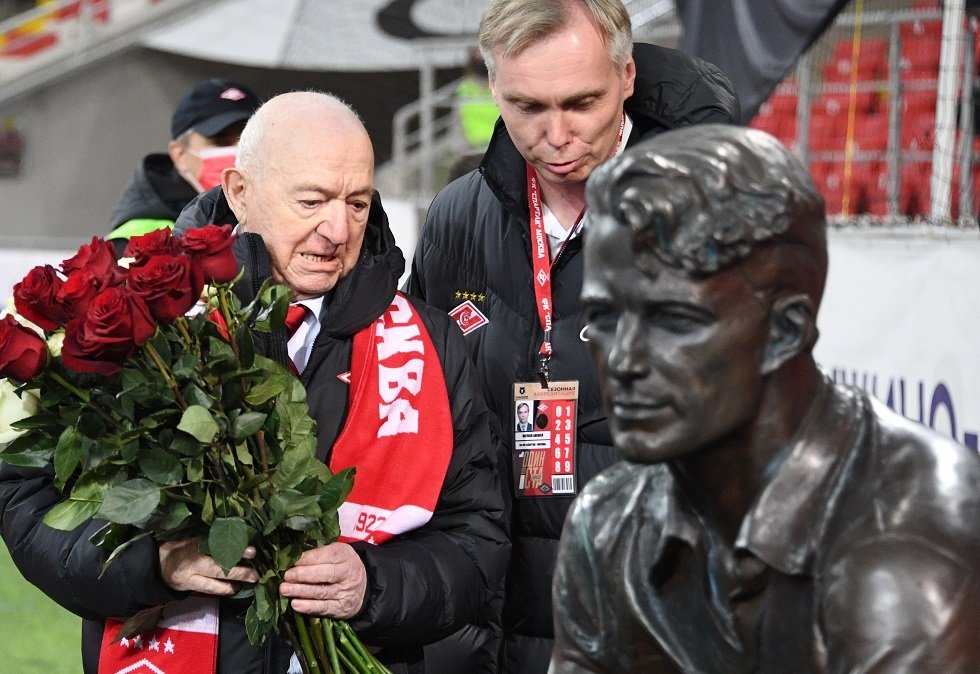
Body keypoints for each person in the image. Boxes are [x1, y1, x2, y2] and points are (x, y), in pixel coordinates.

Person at [0, 91, 509, 674]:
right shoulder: (139, 324)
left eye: (358, 203)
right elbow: (29, 501)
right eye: (311, 201)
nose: (337, 229)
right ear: (240, 192)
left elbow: (478, 538)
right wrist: (152, 564)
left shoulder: (431, 342)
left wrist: (374, 584)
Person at [550, 124, 980, 672]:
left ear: (784, 331)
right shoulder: (608, 522)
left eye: (675, 320)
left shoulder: (910, 553)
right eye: (605, 317)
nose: (624, 360)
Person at [404, 0, 739, 670]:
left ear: (627, 76)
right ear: (493, 86)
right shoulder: (457, 217)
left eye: (582, 103)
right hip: (487, 632)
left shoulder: (711, 217)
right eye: (527, 106)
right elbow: (418, 405)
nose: (556, 135)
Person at [105, 77, 260, 256]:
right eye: (220, 142)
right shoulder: (136, 244)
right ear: (179, 155)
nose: (237, 151)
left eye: (247, 140)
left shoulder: (270, 217)